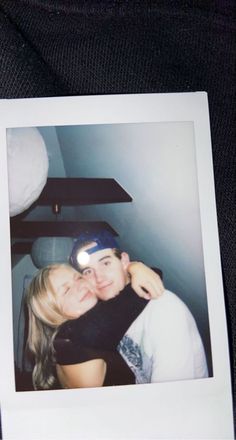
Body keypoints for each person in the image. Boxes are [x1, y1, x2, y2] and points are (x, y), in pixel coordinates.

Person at [70, 230, 209, 383]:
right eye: (88, 271)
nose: (99, 277)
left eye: (106, 263)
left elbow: (171, 401)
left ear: (124, 261)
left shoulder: (164, 311)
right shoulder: (108, 315)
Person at [26, 258, 163, 390]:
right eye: (66, 290)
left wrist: (133, 267)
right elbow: (148, 283)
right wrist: (135, 267)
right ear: (51, 312)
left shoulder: (62, 341)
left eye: (78, 278)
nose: (80, 286)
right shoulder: (76, 334)